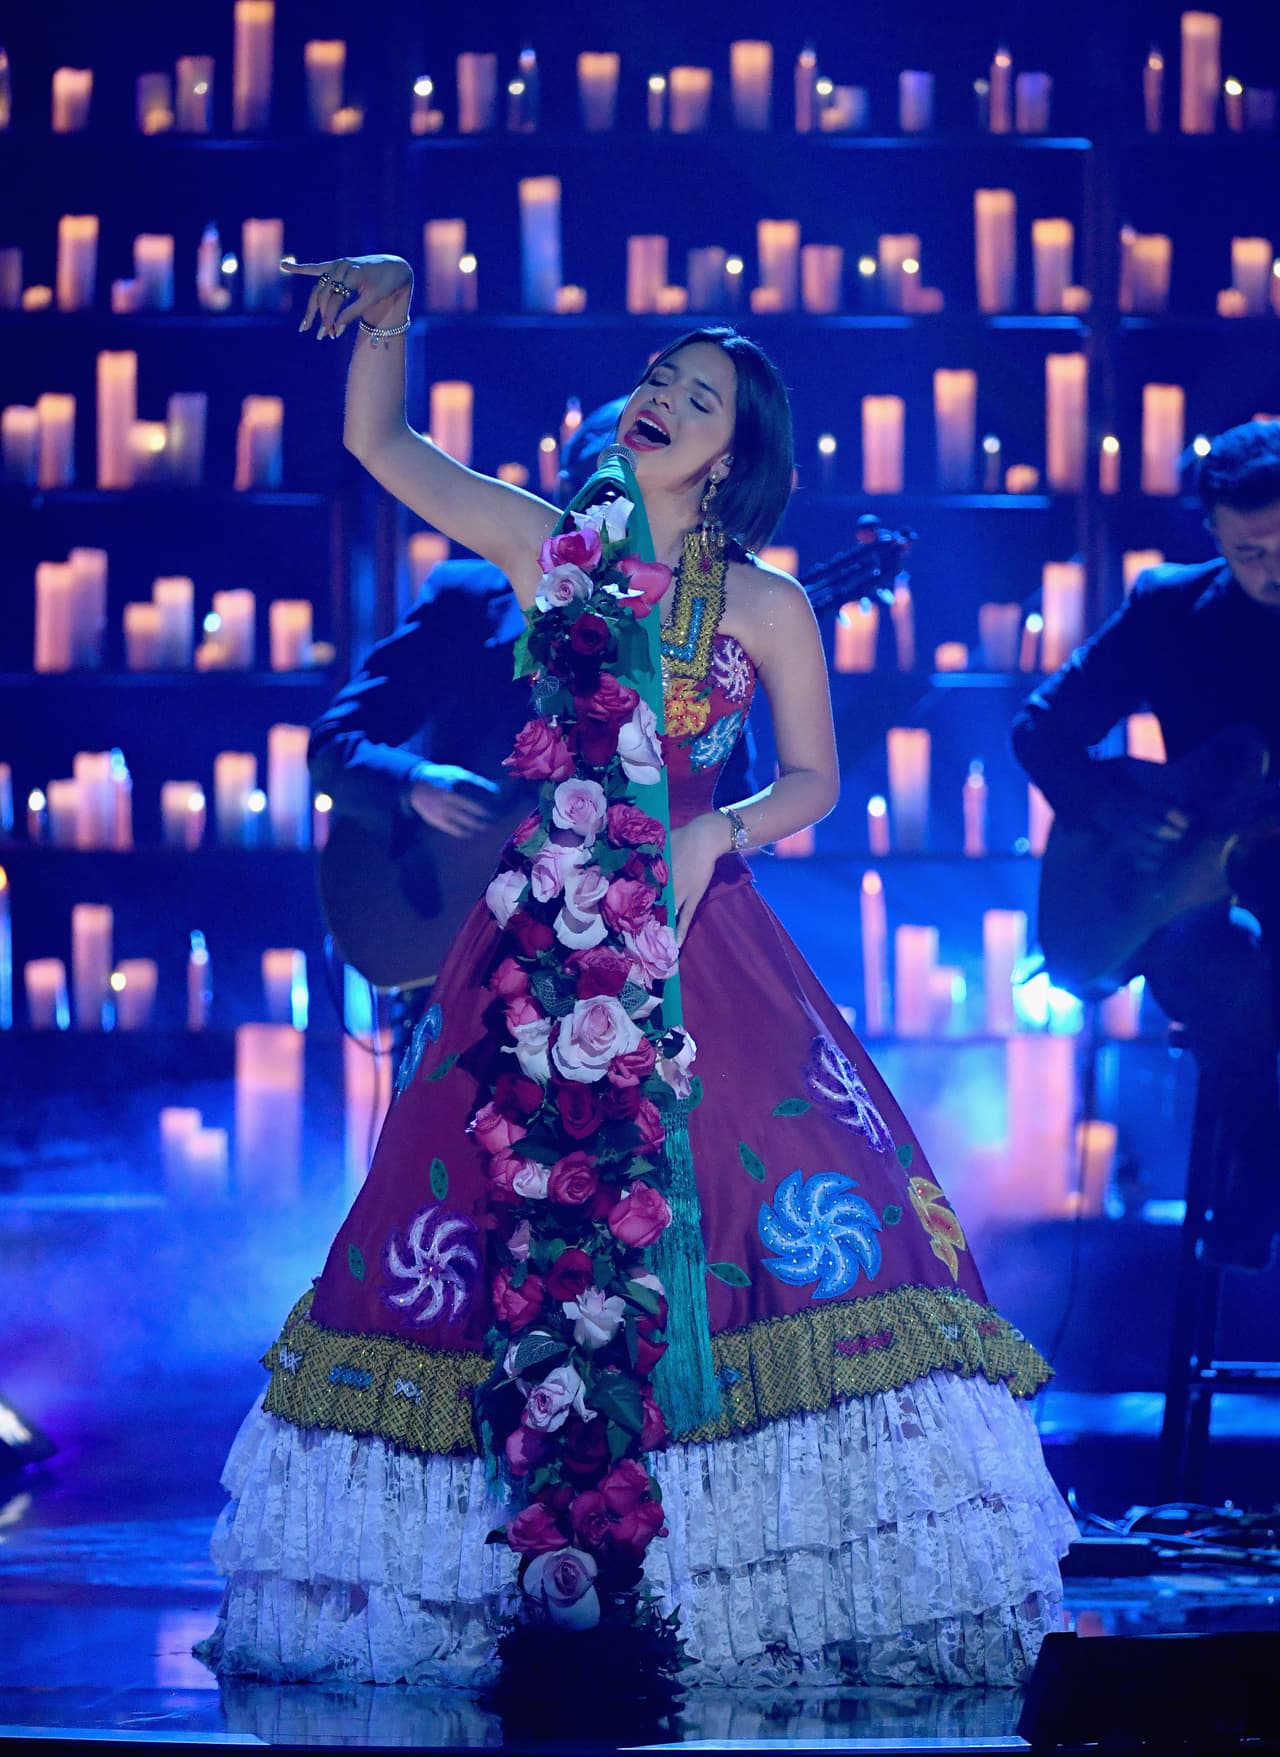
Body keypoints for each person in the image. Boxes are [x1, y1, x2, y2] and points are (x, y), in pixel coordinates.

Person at [198, 249, 1074, 1691]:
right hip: (535, 934)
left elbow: (814, 782)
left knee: (762, 1206)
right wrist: (396, 310)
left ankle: (721, 1593)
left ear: (738, 460)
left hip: (700, 941)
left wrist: (705, 832)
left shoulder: (771, 605)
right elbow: (379, 444)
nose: (661, 400)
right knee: (491, 1217)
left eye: (700, 397)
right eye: (658, 379)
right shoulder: (554, 547)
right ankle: (523, 1572)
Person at [1013, 420, 1280, 1273]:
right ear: (1214, 536)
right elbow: (1042, 728)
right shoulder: (1169, 607)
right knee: (1215, 974)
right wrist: (1109, 805)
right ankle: (1260, 1184)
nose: (1274, 570)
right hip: (1189, 902)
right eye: (1249, 553)